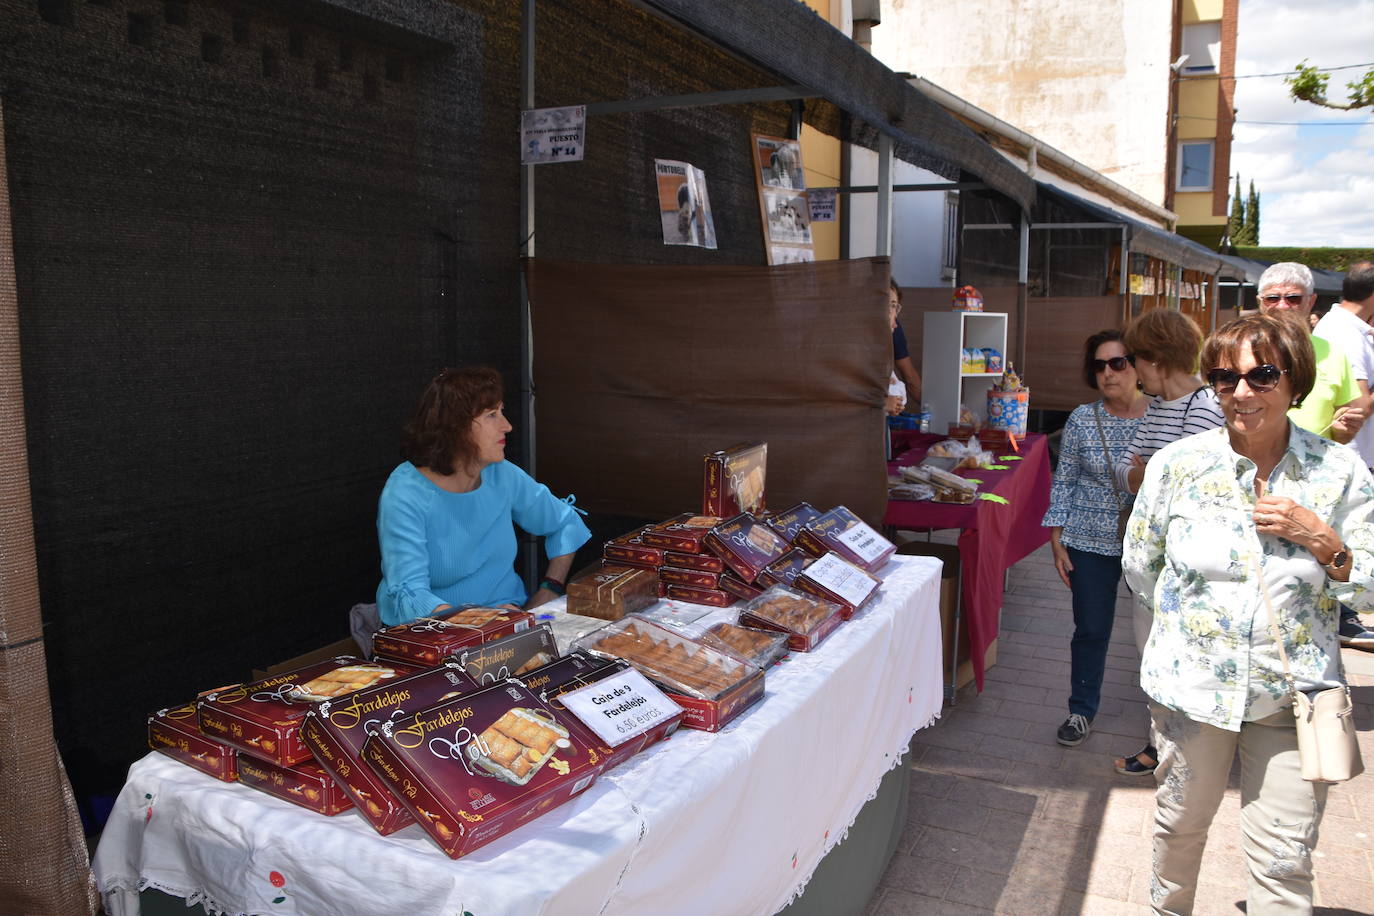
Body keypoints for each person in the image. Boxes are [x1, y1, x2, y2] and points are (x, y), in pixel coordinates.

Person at [1122, 312, 1374, 914]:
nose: (1241, 393)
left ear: (1295, 382)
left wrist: (1321, 540)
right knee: (1180, 826)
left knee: (1284, 859)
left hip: (1292, 695)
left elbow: (1367, 592)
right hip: (1194, 690)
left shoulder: (1338, 473)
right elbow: (1143, 567)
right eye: (1223, 377)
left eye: (1262, 376)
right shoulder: (1178, 465)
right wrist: (1191, 639)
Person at [375, 367, 591, 626]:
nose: (507, 426)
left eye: (501, 411)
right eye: (492, 415)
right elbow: (407, 593)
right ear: (456, 427)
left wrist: (550, 589)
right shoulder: (405, 493)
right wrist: (485, 626)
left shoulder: (501, 474)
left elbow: (565, 522)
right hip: (432, 636)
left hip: (506, 624)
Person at [1111, 308, 1227, 777]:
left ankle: (1176, 752)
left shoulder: (1204, 409)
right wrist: (1143, 473)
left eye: (1134, 359)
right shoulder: (1160, 406)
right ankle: (1161, 744)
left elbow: (1193, 490)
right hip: (1149, 559)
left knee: (1178, 656)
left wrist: (1145, 473)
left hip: (1182, 564)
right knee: (1151, 654)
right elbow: (1125, 469)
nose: (1131, 370)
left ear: (1157, 358)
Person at [1042, 330, 1147, 746]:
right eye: (1100, 365)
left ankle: (1166, 715)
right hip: (1088, 540)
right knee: (1090, 628)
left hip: (1148, 543)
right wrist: (1057, 534)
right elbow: (1064, 479)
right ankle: (1080, 710)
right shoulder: (1083, 419)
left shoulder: (1161, 415)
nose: (1108, 373)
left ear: (1138, 366)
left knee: (1157, 630)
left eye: (1118, 363)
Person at [1311, 261, 1374, 650]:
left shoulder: (1350, 330)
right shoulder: (1343, 334)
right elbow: (1359, 406)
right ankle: (1344, 617)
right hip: (1345, 456)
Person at [889, 280, 922, 409]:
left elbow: (909, 377)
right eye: (890, 305)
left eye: (894, 306)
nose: (893, 314)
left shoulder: (894, 328)